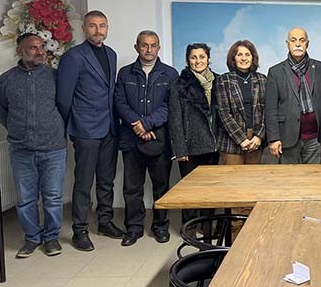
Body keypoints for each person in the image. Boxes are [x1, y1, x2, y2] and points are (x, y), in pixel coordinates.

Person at [0, 33, 67, 258]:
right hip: (21, 150)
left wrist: (54, 127)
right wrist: (18, 129)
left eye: (41, 46)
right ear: (20, 51)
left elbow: (65, 105)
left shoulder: (55, 76)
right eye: (33, 48)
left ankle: (51, 237)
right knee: (26, 199)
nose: (40, 51)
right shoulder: (7, 80)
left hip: (53, 147)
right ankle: (32, 238)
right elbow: (0, 110)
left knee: (53, 196)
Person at [56, 10, 124, 251]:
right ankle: (80, 230)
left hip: (109, 127)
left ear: (107, 28)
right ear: (84, 29)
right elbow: (63, 98)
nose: (98, 30)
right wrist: (73, 124)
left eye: (102, 25)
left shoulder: (111, 54)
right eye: (93, 25)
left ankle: (104, 222)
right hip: (85, 129)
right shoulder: (73, 57)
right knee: (84, 183)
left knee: (106, 180)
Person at [113, 30, 178, 246]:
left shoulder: (170, 74)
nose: (149, 49)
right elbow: (119, 102)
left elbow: (169, 106)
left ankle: (160, 226)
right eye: (144, 45)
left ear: (159, 48)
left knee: (161, 187)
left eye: (153, 45)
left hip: (159, 139)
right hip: (131, 139)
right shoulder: (125, 73)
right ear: (137, 47)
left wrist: (147, 124)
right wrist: (137, 124)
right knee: (132, 188)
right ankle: (134, 228)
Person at [169, 43, 220, 225]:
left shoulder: (218, 81)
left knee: (210, 190)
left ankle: (207, 225)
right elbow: (175, 119)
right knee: (189, 189)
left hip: (213, 145)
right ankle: (189, 226)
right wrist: (180, 149)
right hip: (190, 146)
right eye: (193, 57)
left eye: (202, 57)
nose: (198, 61)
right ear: (188, 60)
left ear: (208, 59)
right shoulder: (179, 85)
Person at [265, 27, 321, 164]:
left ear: (308, 43)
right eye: (293, 40)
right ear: (287, 43)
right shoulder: (275, 72)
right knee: (289, 177)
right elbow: (270, 109)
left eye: (302, 40)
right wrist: (273, 138)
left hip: (315, 137)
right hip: (287, 137)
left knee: (313, 175)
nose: (298, 44)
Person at [215, 40, 266, 165]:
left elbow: (268, 111)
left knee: (253, 176)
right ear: (233, 58)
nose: (244, 58)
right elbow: (224, 114)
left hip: (255, 140)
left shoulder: (262, 79)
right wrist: (241, 139)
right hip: (231, 140)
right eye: (239, 55)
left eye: (247, 54)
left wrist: (259, 136)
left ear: (253, 57)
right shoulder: (223, 80)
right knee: (234, 177)